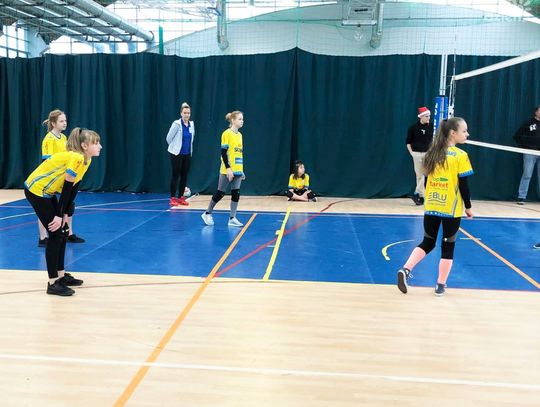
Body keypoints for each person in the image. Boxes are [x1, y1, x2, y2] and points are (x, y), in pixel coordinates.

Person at [397, 117, 473, 297]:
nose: (467, 134)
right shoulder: (460, 156)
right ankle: (440, 285)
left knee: (428, 242)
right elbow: (463, 185)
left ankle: (406, 269)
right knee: (448, 247)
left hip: (431, 205)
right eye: (464, 131)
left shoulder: (431, 152)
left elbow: (426, 179)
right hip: (450, 208)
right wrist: (468, 207)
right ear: (453, 133)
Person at [24, 128, 102, 296]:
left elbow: (73, 189)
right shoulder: (76, 157)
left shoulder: (86, 160)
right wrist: (59, 215)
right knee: (55, 233)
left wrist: (66, 214)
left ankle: (60, 275)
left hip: (48, 192)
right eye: (96, 143)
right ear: (84, 146)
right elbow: (66, 188)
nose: (100, 146)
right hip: (36, 190)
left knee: (63, 231)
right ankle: (53, 283)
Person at [38, 110, 86, 247]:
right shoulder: (49, 139)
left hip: (63, 176)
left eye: (65, 120)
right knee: (45, 207)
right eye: (61, 121)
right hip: (51, 178)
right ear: (53, 123)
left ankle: (69, 233)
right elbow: (46, 162)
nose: (65, 123)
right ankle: (43, 237)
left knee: (68, 204)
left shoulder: (64, 137)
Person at [201, 111, 245, 227]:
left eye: (242, 119)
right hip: (227, 170)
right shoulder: (226, 133)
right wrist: (228, 168)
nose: (242, 121)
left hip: (237, 170)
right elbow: (223, 153)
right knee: (220, 193)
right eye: (240, 119)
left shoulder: (240, 135)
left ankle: (232, 218)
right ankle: (207, 213)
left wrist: (241, 170)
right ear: (233, 120)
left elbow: (238, 153)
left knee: (236, 193)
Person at [166, 102, 195, 207]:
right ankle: (173, 198)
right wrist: (175, 148)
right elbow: (168, 138)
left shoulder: (192, 125)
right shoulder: (176, 124)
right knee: (175, 175)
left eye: (188, 113)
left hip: (187, 154)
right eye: (185, 113)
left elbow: (191, 139)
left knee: (184, 176)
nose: (187, 115)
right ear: (181, 113)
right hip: (176, 154)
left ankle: (181, 197)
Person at [406, 106, 433, 205]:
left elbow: (432, 140)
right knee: (419, 175)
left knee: (426, 174)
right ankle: (421, 196)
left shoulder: (431, 127)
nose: (428, 118)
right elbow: (408, 142)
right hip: (417, 154)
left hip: (428, 154)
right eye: (426, 116)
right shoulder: (413, 128)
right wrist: (412, 153)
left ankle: (417, 193)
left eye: (429, 116)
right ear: (421, 116)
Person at [514, 106, 540, 205]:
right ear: (536, 112)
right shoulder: (529, 122)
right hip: (530, 153)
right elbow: (517, 136)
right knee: (527, 174)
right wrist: (525, 147)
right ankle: (521, 197)